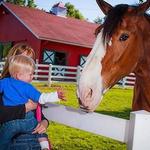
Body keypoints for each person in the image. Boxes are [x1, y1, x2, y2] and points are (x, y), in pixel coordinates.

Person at [0, 55, 66, 150]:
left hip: (9, 122)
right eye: (30, 74)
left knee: (3, 139)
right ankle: (45, 146)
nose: (32, 77)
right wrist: (56, 95)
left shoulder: (4, 82)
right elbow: (42, 98)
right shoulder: (28, 87)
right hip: (27, 119)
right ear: (19, 75)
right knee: (38, 130)